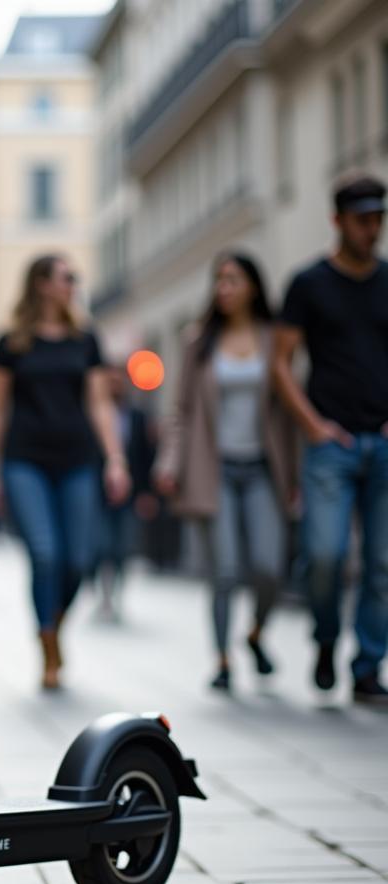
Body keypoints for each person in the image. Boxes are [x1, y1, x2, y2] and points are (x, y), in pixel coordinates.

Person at [0, 253, 130, 689]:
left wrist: (115, 459)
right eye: (67, 277)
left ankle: (55, 622)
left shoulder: (86, 340)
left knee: (79, 559)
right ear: (41, 284)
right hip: (24, 460)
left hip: (79, 460)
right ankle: (47, 641)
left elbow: (99, 404)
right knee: (45, 553)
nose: (73, 285)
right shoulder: (11, 343)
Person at [155, 253, 297, 692]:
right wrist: (170, 461)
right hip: (214, 469)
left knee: (269, 566)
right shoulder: (198, 342)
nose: (224, 288)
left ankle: (254, 633)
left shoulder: (274, 339)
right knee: (225, 570)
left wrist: (296, 475)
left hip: (262, 469)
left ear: (253, 286)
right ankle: (221, 659)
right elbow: (180, 411)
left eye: (233, 280)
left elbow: (290, 408)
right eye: (218, 280)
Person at [272, 174, 388, 704]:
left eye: (379, 218)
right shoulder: (309, 284)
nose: (373, 229)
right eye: (363, 219)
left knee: (382, 564)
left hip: (383, 441)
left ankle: (367, 666)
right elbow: (281, 363)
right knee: (324, 554)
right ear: (338, 221)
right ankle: (324, 639)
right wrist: (313, 425)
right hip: (330, 445)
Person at [94, 365, 157, 623]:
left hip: (131, 496)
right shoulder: (94, 415)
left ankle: (115, 594)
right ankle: (105, 594)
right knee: (102, 545)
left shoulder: (139, 417)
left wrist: (146, 493)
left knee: (122, 547)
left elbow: (146, 457)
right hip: (99, 494)